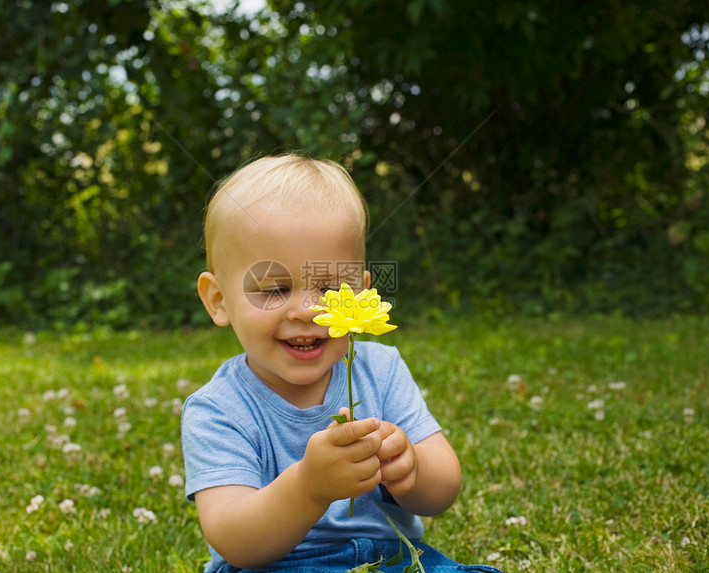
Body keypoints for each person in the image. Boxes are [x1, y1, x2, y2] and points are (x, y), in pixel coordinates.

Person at [183, 154, 501, 572]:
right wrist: (308, 487)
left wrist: (411, 468)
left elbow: (442, 491)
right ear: (218, 300)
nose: (307, 310)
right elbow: (234, 540)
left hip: (389, 560)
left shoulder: (380, 370)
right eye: (274, 288)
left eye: (331, 287)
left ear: (362, 290)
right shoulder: (219, 408)